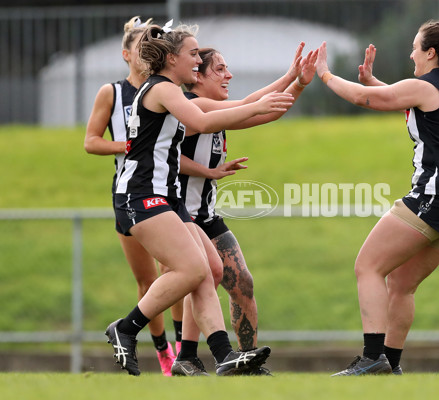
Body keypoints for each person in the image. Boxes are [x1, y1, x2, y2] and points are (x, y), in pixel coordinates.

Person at [104, 20, 294, 376]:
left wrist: (284, 84)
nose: (197, 59)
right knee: (191, 269)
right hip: (141, 194)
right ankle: (126, 329)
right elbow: (206, 122)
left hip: (165, 197)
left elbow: (226, 110)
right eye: (193, 53)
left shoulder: (170, 91)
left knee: (210, 270)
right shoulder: (162, 89)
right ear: (171, 57)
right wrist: (259, 105)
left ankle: (223, 356)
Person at [314, 18, 439, 375]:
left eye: (415, 47)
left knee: (368, 266)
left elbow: (364, 100)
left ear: (430, 53)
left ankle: (371, 358)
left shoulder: (424, 85)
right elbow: (413, 108)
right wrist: (376, 83)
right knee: (401, 284)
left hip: (438, 194)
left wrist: (325, 73)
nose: (411, 52)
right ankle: (390, 365)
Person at [169, 44, 318, 376]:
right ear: (197, 76)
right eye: (220, 69)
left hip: (206, 215)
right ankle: (180, 352)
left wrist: (299, 83)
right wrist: (290, 75)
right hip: (179, 217)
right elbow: (249, 105)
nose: (229, 75)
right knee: (200, 280)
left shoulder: (216, 112)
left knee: (242, 284)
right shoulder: (194, 107)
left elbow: (266, 112)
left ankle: (246, 360)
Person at [84, 16, 183, 376]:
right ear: (126, 54)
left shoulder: (166, 89)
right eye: (139, 46)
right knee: (148, 279)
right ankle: (163, 350)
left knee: (178, 269)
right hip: (130, 191)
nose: (147, 51)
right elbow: (91, 141)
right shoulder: (112, 92)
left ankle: (183, 351)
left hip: (164, 189)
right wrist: (126, 145)